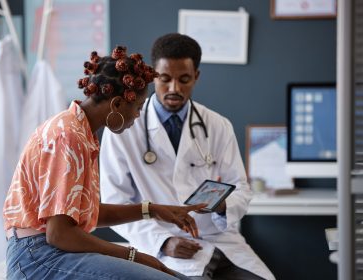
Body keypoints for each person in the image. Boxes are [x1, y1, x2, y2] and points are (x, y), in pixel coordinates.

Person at [2, 46, 207, 280]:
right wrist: (134, 255)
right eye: (138, 108)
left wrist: (152, 210)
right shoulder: (67, 136)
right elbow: (59, 234)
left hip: (51, 251)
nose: (138, 116)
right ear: (118, 104)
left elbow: (84, 214)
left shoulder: (81, 133)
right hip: (36, 258)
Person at [99, 34, 276, 280]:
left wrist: (222, 205)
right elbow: (115, 200)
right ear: (152, 76)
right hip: (160, 245)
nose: (174, 89)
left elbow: (241, 188)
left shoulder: (217, 125)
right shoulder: (124, 128)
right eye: (165, 79)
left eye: (184, 79)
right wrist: (164, 241)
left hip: (219, 241)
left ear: (196, 77)